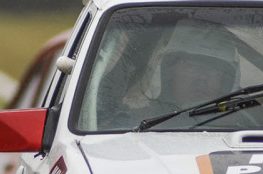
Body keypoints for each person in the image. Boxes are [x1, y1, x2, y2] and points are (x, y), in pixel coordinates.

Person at [101, 20, 240, 129]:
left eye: (213, 69)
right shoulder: (135, 124)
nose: (202, 78)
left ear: (227, 80)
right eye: (191, 67)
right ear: (168, 73)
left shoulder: (247, 122)